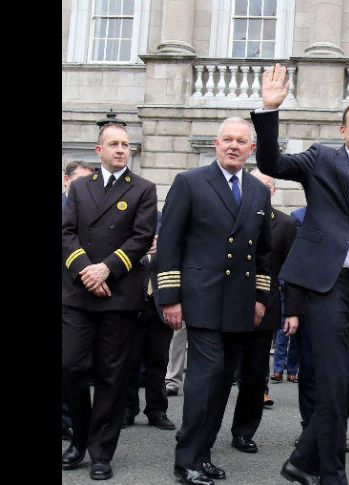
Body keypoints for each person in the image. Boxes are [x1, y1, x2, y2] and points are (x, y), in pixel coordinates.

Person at [253, 64, 349, 485]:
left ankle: (302, 459)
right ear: (343, 131)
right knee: (334, 380)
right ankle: (331, 473)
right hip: (322, 285)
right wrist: (269, 110)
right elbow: (273, 161)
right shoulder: (321, 159)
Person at [157, 117, 273, 485]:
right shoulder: (190, 182)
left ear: (251, 149)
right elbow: (170, 244)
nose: (233, 146)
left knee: (223, 381)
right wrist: (170, 297)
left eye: (241, 141)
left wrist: (260, 298)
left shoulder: (258, 191)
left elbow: (265, 253)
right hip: (202, 298)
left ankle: (203, 452)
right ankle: (186, 459)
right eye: (227, 140)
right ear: (216, 143)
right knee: (205, 379)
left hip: (240, 303)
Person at [62, 122, 157, 480]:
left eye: (126, 144)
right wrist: (87, 271)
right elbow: (67, 233)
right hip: (79, 292)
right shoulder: (81, 187)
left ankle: (101, 452)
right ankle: (81, 436)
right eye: (114, 144)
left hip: (118, 296)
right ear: (98, 150)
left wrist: (107, 270)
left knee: (111, 375)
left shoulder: (144, 189)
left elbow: (142, 236)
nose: (121, 149)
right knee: (69, 365)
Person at [230, 170, 301, 454]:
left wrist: (292, 311)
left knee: (255, 373)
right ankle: (200, 429)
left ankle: (244, 431)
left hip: (263, 310)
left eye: (267, 186)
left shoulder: (285, 224)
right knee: (216, 375)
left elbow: (293, 272)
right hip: (225, 306)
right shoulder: (230, 215)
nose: (261, 190)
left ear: (272, 192)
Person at [123, 214, 176, 431]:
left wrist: (161, 251)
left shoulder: (167, 236)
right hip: (132, 308)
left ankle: (157, 410)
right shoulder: (128, 236)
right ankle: (127, 409)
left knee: (158, 361)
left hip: (160, 308)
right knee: (129, 362)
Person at [61, 160, 96, 442]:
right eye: (79, 182)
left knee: (70, 363)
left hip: (75, 295)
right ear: (66, 181)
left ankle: (69, 420)